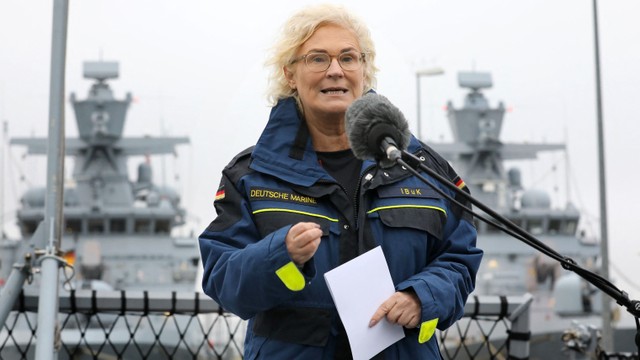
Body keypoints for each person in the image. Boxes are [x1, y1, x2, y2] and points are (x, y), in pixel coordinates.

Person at [199, 4, 483, 359]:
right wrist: (279, 255)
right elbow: (223, 279)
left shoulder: (423, 169)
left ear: (364, 70)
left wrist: (421, 296)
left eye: (348, 58)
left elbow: (459, 258)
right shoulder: (252, 176)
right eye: (318, 59)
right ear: (290, 74)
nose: (336, 70)